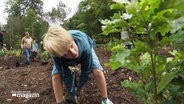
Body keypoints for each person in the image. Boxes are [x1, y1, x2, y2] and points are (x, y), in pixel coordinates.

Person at [43, 25, 113, 104]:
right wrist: (72, 95)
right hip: (63, 57)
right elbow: (65, 75)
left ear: (72, 40)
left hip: (84, 48)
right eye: (66, 53)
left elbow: (86, 71)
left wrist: (78, 90)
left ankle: (105, 99)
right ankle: (59, 102)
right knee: (56, 76)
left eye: (72, 46)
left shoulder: (83, 44)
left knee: (98, 71)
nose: (73, 53)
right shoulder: (57, 55)